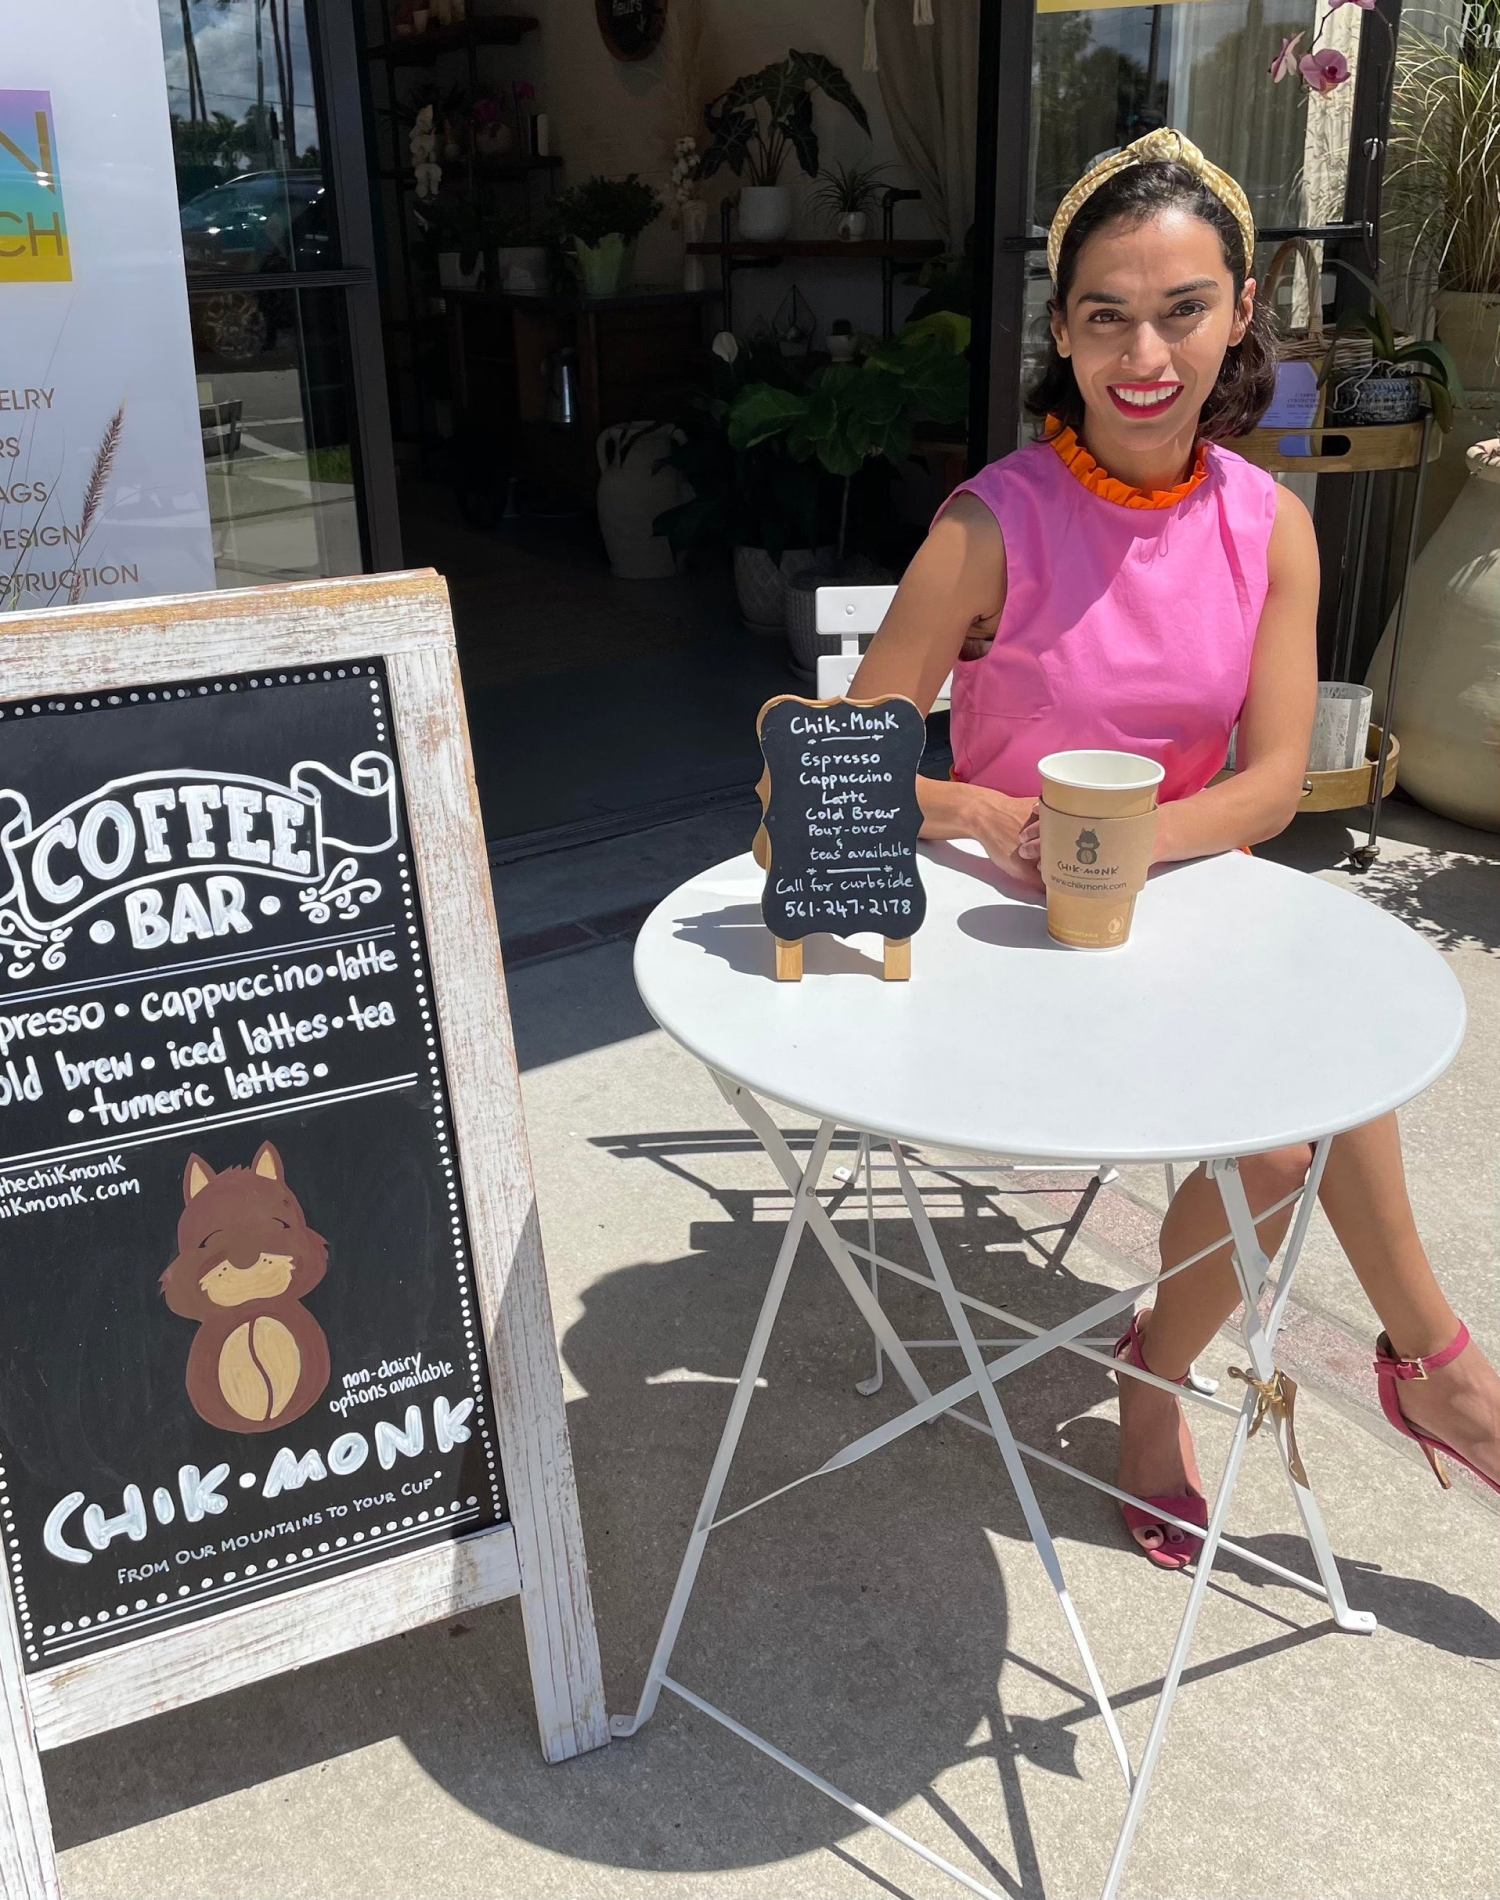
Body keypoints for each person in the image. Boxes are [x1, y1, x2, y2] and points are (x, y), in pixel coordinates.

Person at [850, 128, 1500, 1564]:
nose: (1145, 354)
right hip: (1002, 943)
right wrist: (986, 814)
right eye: (1106, 316)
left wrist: (1129, 848)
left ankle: (1201, 1371)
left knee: (1302, 1113)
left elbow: (1275, 785)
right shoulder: (990, 523)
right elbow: (846, 769)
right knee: (1295, 1121)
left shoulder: (1270, 526)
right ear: (1064, 333)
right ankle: (1428, 1373)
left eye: (1183, 309)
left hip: (1182, 917)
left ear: (1243, 309)